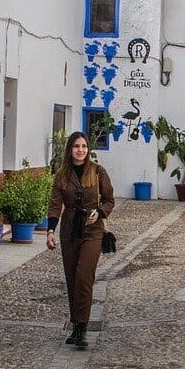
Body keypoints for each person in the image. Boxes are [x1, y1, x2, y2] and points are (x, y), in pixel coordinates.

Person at [46, 131, 114, 350]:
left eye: (84, 146)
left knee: (84, 276)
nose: (81, 150)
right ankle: (75, 326)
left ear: (88, 149)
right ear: (70, 149)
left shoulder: (97, 172)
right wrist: (50, 231)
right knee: (72, 277)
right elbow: (55, 204)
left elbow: (109, 199)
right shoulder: (62, 174)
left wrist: (100, 212)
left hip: (92, 229)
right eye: (76, 146)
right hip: (69, 229)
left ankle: (83, 328)